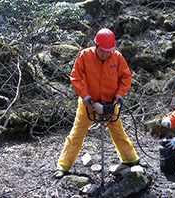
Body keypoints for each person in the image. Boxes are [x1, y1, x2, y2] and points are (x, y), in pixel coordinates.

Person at [54, 28, 139, 179]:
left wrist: (119, 94)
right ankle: (63, 165)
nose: (106, 54)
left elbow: (126, 78)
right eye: (103, 51)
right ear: (96, 46)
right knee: (76, 134)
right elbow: (75, 77)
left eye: (108, 51)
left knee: (118, 131)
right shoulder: (85, 55)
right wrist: (85, 96)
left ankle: (130, 159)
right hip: (88, 104)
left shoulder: (117, 57)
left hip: (110, 104)